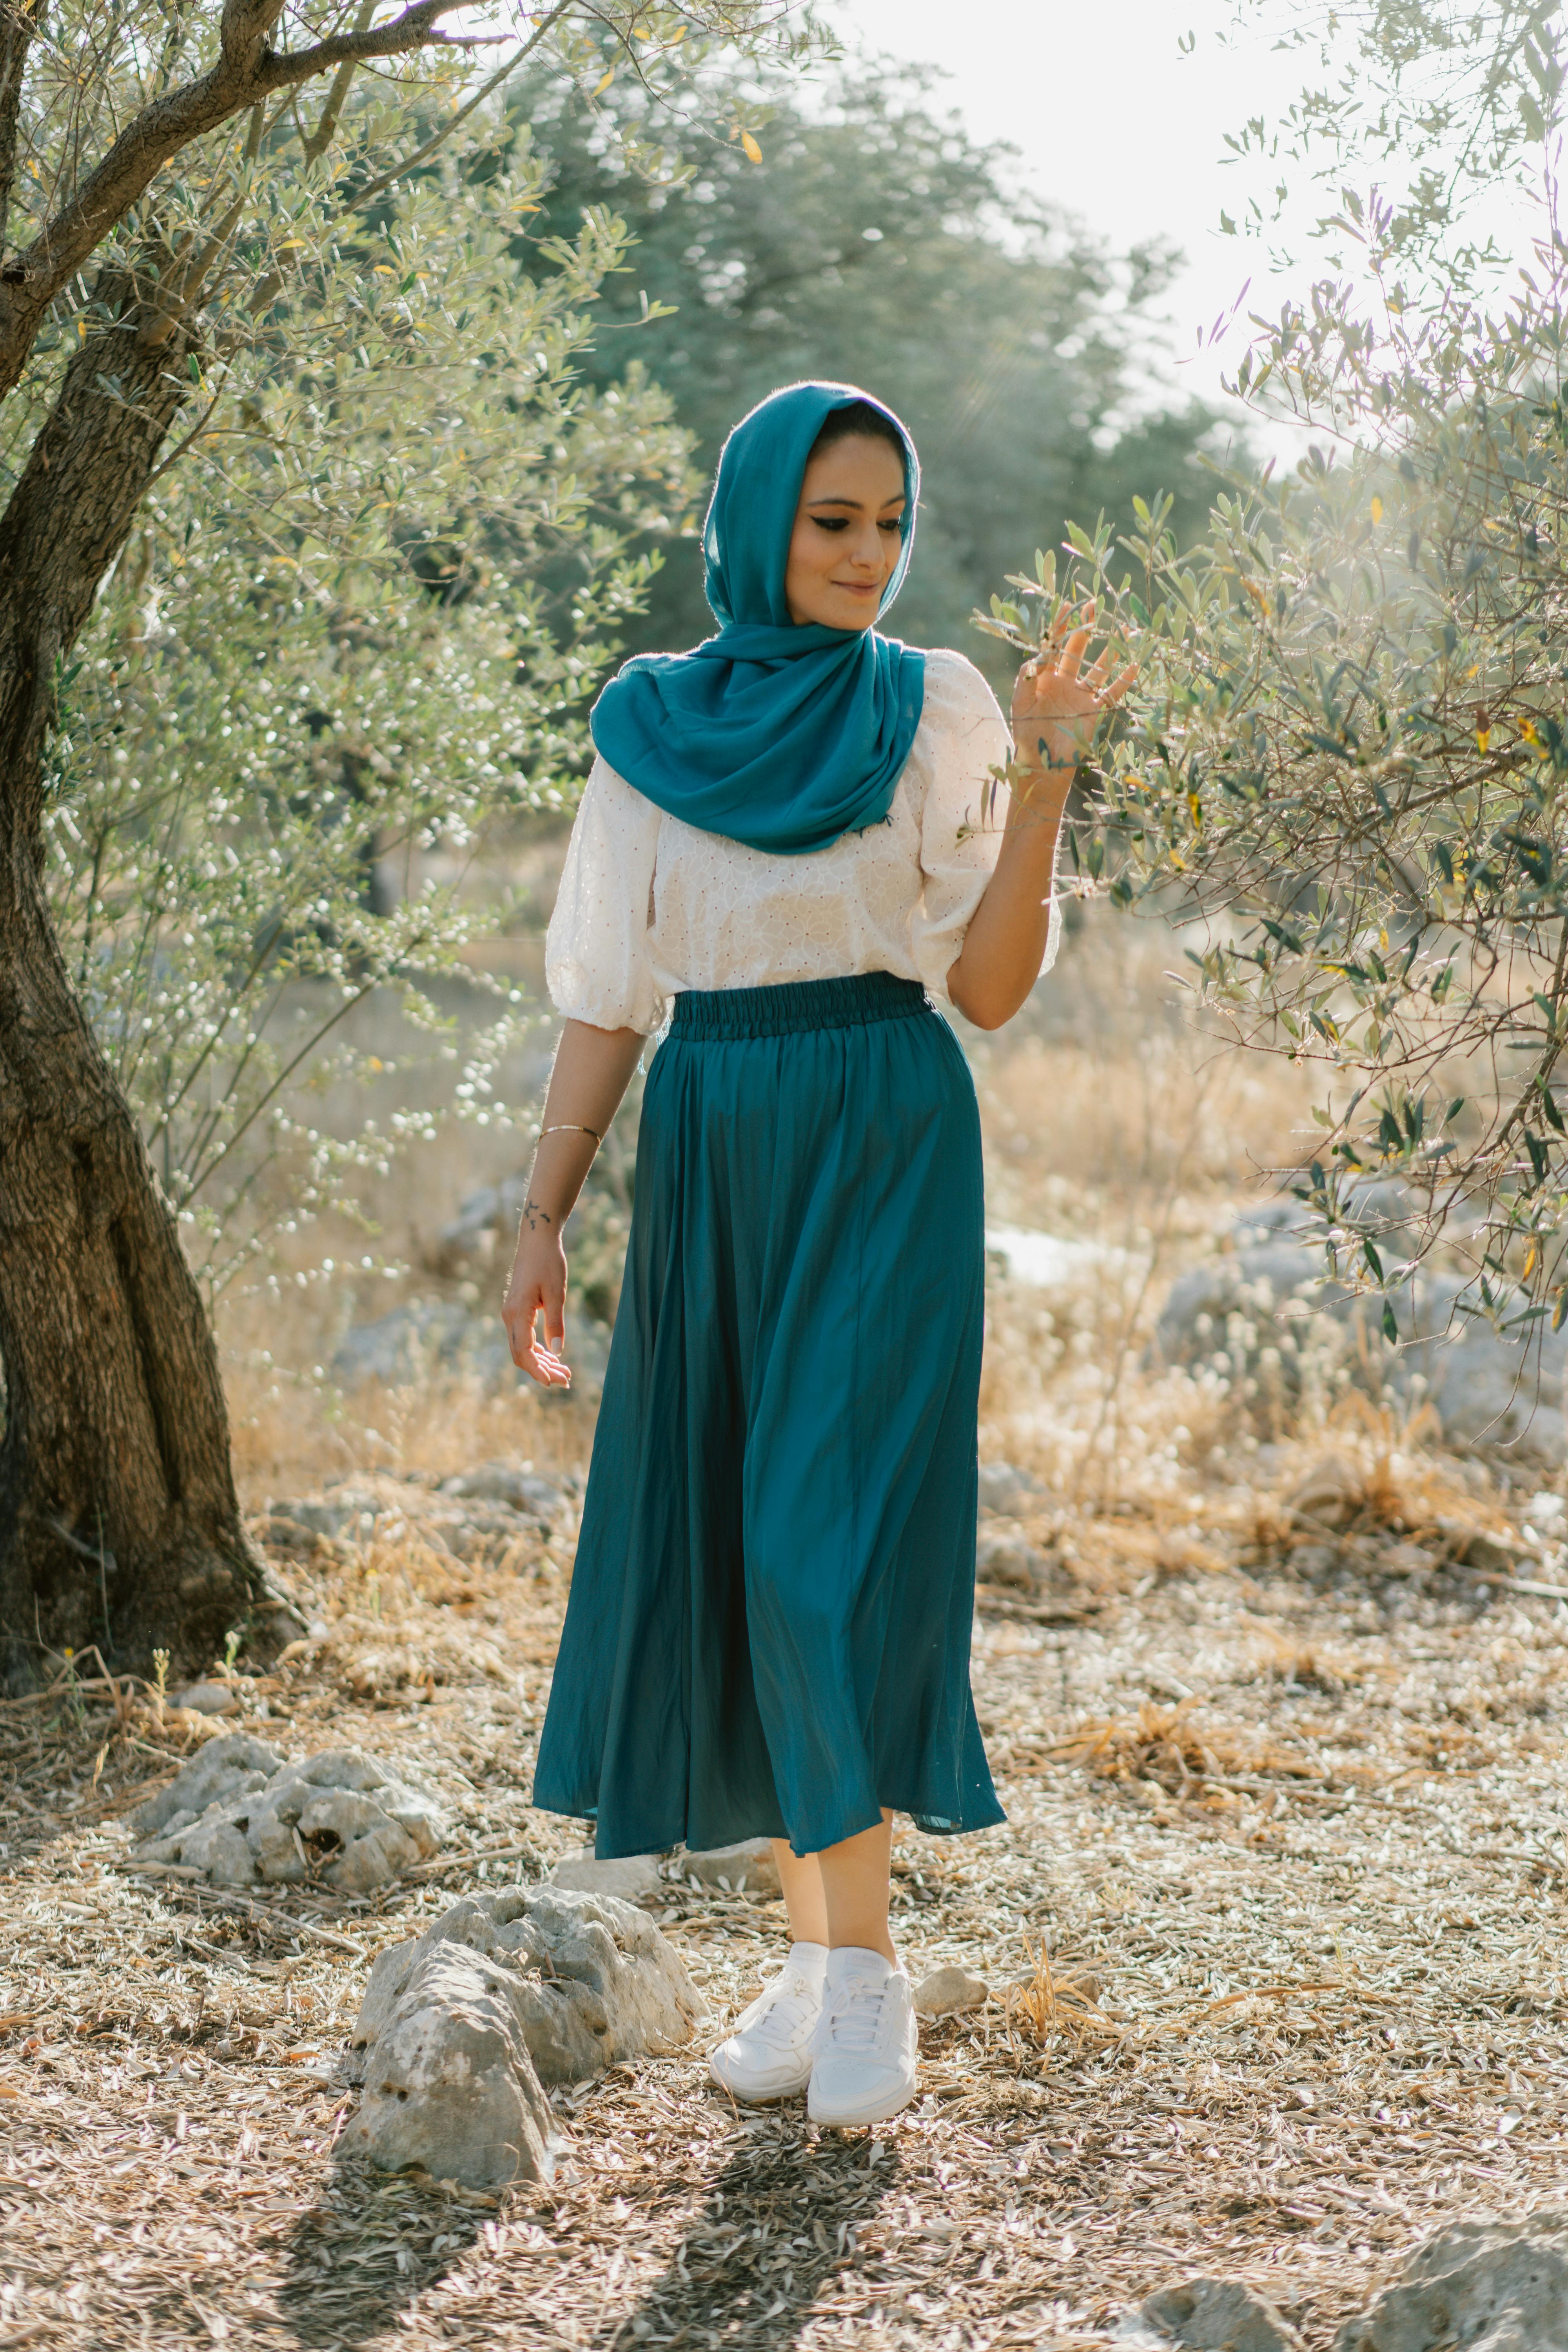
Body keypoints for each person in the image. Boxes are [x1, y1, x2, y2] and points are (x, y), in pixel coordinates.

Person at [502, 381, 1132, 2129]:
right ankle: (812, 1954)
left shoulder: (933, 707)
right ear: (759, 521)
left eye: (887, 523)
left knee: (810, 1554)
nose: (866, 554)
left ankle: (865, 1980)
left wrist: (1049, 774)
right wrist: (545, 1212)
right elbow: (606, 994)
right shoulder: (648, 727)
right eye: (830, 520)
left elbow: (991, 989)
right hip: (710, 1142)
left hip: (882, 1131)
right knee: (741, 1548)